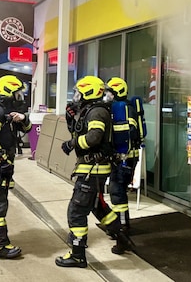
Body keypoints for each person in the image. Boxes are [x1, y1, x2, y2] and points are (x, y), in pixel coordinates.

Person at [55, 75, 134, 268]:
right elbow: (82, 130)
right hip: (95, 168)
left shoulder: (97, 112)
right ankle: (122, 237)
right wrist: (71, 118)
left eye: (79, 92)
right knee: (97, 207)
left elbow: (93, 137)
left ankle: (78, 254)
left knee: (76, 211)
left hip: (92, 168)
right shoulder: (93, 110)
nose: (76, 96)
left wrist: (72, 143)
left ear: (89, 92)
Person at [0, 75, 31, 259]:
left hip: (3, 167)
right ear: (8, 92)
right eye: (17, 94)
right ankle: (0, 246)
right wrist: (2, 160)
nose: (20, 98)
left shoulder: (8, 113)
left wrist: (22, 119)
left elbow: (28, 129)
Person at [104, 77, 141, 232]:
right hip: (121, 157)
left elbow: (129, 132)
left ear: (117, 92)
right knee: (116, 191)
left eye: (110, 93)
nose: (107, 95)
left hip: (125, 158)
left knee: (118, 191)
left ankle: (123, 226)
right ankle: (119, 224)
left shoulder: (125, 108)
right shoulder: (118, 107)